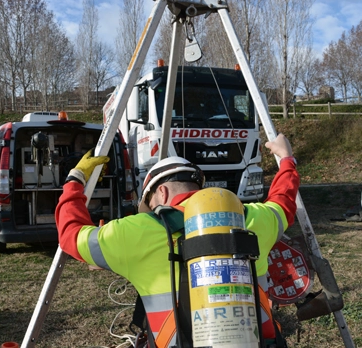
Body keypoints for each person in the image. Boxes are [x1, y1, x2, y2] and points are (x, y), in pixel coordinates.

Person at [55, 133, 299, 348]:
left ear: (160, 193)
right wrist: (286, 159)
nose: (150, 211)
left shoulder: (135, 231)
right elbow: (284, 202)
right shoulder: (251, 218)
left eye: (149, 205)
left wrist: (75, 180)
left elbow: (71, 235)